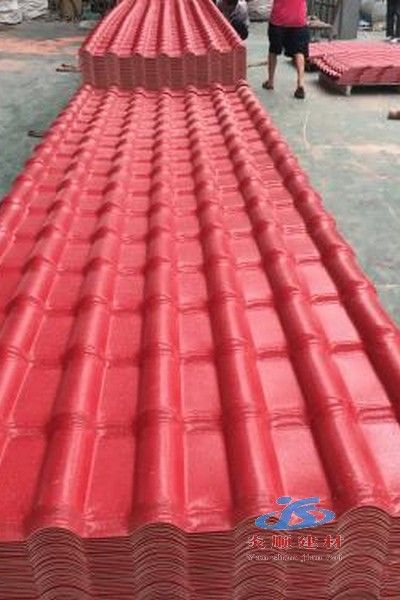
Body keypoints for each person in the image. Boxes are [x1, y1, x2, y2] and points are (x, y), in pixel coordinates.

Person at [262, 0, 309, 99]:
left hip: (279, 19)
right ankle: (300, 84)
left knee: (273, 50)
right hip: (298, 19)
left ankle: (270, 81)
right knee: (299, 51)